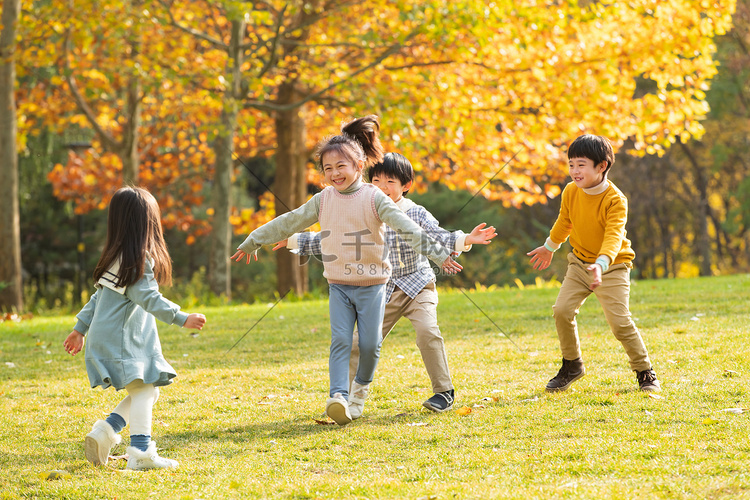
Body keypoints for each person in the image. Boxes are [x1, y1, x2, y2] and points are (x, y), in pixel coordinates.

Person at [231, 116, 462, 425]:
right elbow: (291, 222)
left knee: (369, 345)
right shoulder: (323, 199)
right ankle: (338, 395)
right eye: (327, 169)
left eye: (340, 166)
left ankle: (359, 395)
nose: (334, 173)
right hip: (339, 285)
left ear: (358, 165)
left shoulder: (374, 198)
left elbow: (408, 229)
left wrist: (439, 252)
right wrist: (253, 240)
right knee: (342, 341)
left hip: (374, 286)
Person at [276, 152, 496, 413]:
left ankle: (444, 391)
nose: (382, 187)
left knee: (428, 332)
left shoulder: (415, 212)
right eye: (376, 180)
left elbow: (436, 236)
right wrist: (292, 240)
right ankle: (341, 399)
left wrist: (466, 240)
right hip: (383, 291)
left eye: (390, 181)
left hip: (418, 286)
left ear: (406, 185)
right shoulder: (366, 211)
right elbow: (335, 240)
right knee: (358, 344)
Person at [63, 186, 206, 470]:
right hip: (122, 342)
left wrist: (80, 329)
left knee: (149, 391)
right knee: (143, 392)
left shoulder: (116, 258)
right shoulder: (138, 261)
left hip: (107, 340)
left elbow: (97, 299)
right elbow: (149, 299)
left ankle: (105, 431)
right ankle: (140, 454)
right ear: (147, 223)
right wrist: (181, 317)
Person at [527, 134, 661, 393]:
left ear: (602, 166)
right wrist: (549, 247)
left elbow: (614, 237)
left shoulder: (615, 200)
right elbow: (564, 222)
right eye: (571, 165)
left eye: (581, 165)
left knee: (620, 323)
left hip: (612, 266)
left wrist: (600, 265)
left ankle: (645, 371)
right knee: (562, 310)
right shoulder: (570, 191)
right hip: (579, 264)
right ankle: (572, 365)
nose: (574, 171)